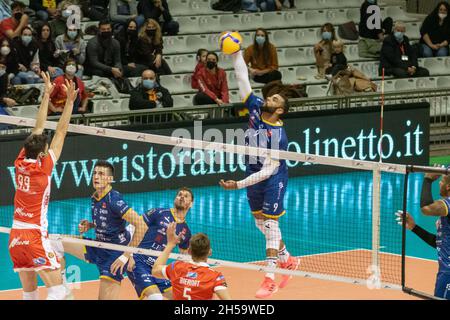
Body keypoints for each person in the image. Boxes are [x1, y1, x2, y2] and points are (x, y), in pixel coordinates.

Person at [219, 45, 299, 299]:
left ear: (280, 111)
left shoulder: (279, 137)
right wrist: (235, 54)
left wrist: (239, 185)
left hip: (272, 177)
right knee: (259, 222)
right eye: (271, 97)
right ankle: (288, 259)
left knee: (270, 222)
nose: (270, 99)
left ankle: (269, 277)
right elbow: (242, 78)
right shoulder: (255, 107)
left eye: (275, 100)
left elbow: (267, 172)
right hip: (252, 169)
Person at [7, 72, 78, 300]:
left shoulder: (20, 162)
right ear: (44, 152)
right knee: (61, 291)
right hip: (35, 235)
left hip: (15, 237)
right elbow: (61, 131)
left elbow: (37, 130)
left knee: (30, 294)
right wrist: (69, 103)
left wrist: (46, 96)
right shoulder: (43, 168)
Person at [50, 160, 149, 300]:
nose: (96, 176)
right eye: (95, 173)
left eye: (101, 174)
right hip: (98, 246)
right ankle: (64, 291)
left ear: (109, 179)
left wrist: (126, 255)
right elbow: (110, 222)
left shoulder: (114, 200)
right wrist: (91, 225)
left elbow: (142, 226)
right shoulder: (95, 196)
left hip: (115, 253)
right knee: (53, 241)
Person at [126, 188, 193, 300]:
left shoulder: (186, 231)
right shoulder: (159, 213)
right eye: (179, 194)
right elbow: (131, 228)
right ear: (174, 199)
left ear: (191, 204)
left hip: (157, 269)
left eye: (186, 196)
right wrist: (130, 254)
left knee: (183, 298)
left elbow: (184, 259)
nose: (181, 197)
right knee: (156, 297)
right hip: (138, 262)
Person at [394, 168, 450, 299]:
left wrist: (428, 179)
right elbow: (439, 243)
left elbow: (426, 208)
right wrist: (414, 228)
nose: (439, 183)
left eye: (441, 180)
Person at [152, 223, 232, 300]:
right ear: (209, 252)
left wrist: (170, 244)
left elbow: (155, 270)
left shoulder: (176, 267)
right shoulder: (215, 277)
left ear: (189, 251)